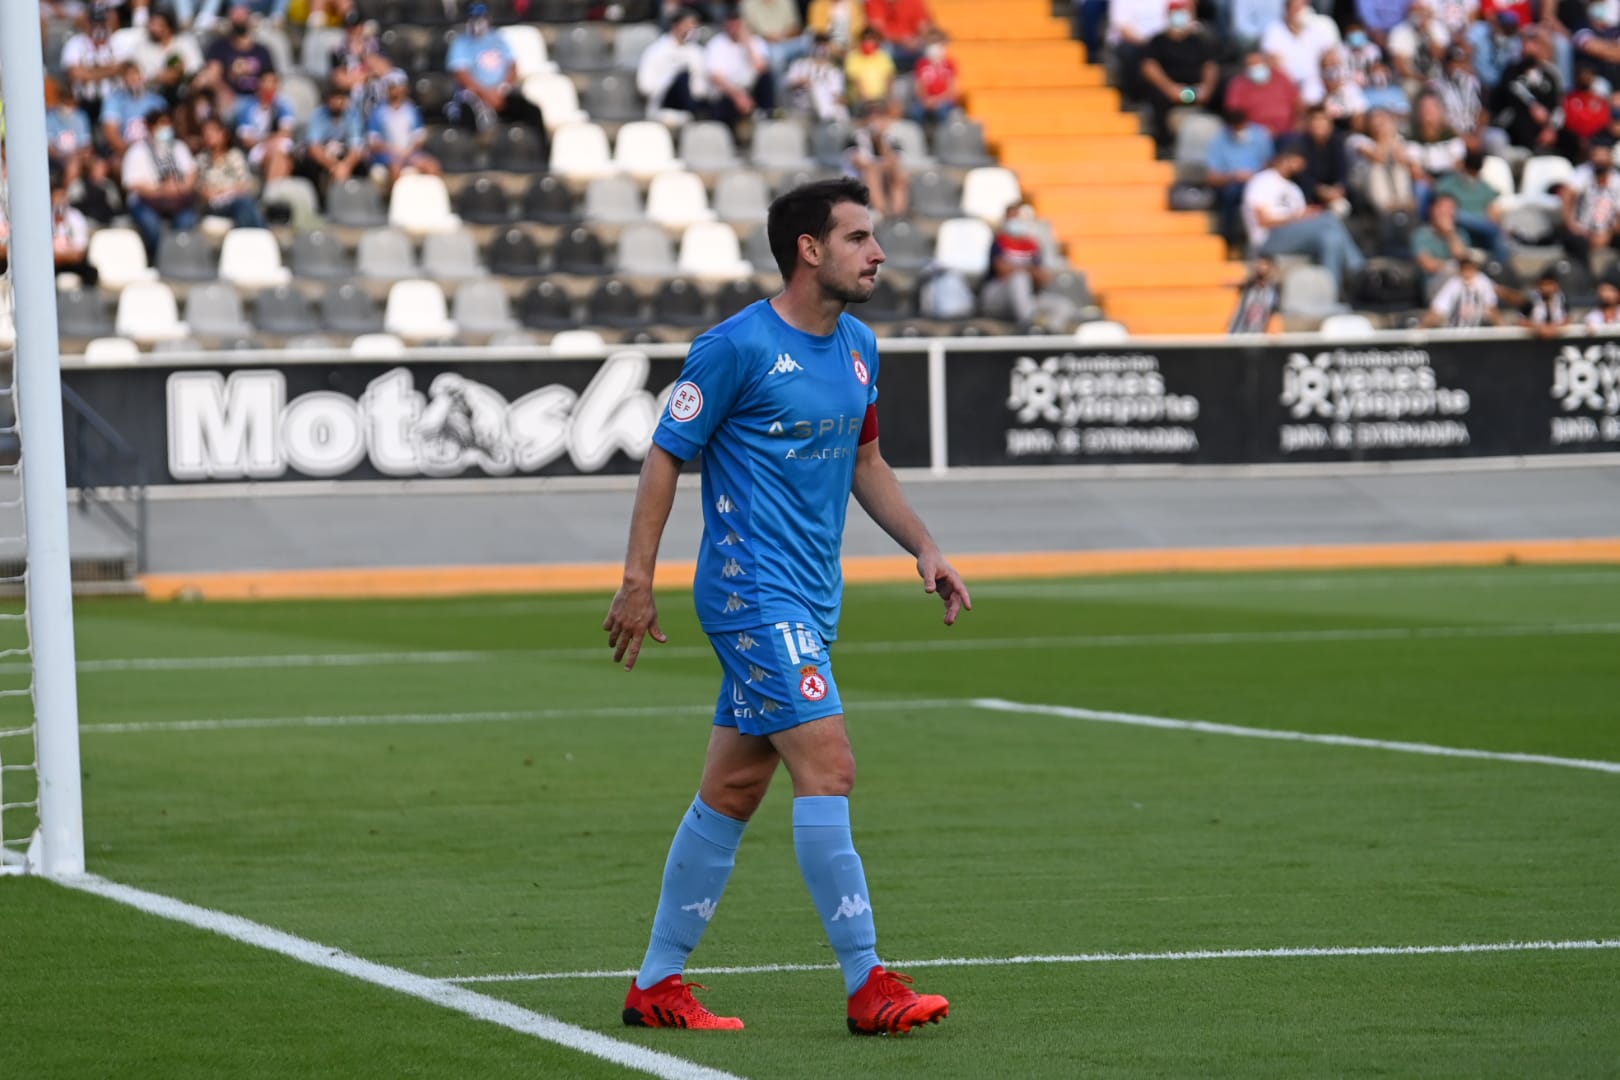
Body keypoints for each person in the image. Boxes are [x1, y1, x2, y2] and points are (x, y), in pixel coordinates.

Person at [604, 176, 968, 1036]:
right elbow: (665, 456)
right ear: (809, 249)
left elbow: (867, 463)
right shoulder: (732, 348)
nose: (877, 253)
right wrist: (636, 578)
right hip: (749, 590)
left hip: (809, 596)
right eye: (858, 238)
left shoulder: (858, 348)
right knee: (830, 764)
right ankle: (867, 981)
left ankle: (657, 984)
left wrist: (924, 545)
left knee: (733, 787)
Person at [1242, 145, 1366, 290]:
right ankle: (1359, 270)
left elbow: (1301, 217)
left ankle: (1331, 292)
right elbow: (1263, 220)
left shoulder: (1293, 189)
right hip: (1267, 238)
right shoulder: (1263, 180)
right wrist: (1296, 217)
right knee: (1328, 219)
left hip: (1292, 235)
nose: (1299, 167)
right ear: (1285, 158)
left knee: (1331, 238)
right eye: (1297, 162)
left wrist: (1309, 215)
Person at [445, 2, 548, 133]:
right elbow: (461, 73)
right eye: (474, 18)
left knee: (532, 111)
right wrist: (486, 94)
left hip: (501, 93)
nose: (478, 23)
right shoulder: (461, 42)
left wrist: (502, 89)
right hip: (474, 97)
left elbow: (512, 66)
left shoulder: (498, 38)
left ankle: (538, 149)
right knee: (466, 119)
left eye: (481, 18)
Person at [122, 107, 199, 257]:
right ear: (150, 127)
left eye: (168, 124)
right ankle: (157, 259)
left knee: (187, 221)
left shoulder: (178, 147)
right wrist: (161, 190)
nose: (166, 128)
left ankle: (179, 259)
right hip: (147, 203)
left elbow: (192, 173)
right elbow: (132, 184)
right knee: (152, 225)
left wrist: (180, 187)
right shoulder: (137, 151)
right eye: (161, 124)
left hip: (177, 201)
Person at [1139, 0, 1219, 143]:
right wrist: (1170, 88)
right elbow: (1149, 67)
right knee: (1157, 97)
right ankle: (1164, 144)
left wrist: (1206, 89)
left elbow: (1210, 66)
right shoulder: (1158, 41)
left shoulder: (1198, 41)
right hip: (1170, 90)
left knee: (1222, 91)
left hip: (1197, 89)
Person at [979, 201, 1057, 329]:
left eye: (1018, 217)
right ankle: (1028, 324)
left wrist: (1028, 271)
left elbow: (1042, 278)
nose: (1015, 221)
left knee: (1062, 306)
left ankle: (1048, 336)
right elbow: (1002, 270)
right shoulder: (999, 241)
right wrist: (1028, 270)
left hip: (1025, 298)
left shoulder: (1033, 245)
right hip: (997, 297)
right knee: (1019, 278)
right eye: (1012, 217)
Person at [1491, 28, 1563, 154]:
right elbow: (1511, 92)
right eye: (1525, 44)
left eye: (1534, 45)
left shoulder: (1550, 74)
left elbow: (1558, 104)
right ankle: (1531, 150)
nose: (1528, 49)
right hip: (1515, 123)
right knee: (1520, 114)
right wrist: (1533, 105)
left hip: (1545, 126)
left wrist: (1551, 128)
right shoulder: (1511, 70)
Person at [1205, 109, 1275, 240]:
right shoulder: (1219, 140)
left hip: (1259, 182)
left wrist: (1255, 176)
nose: (1239, 131)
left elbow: (1270, 163)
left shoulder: (1260, 135)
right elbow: (1211, 177)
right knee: (1230, 195)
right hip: (1231, 185)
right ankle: (1229, 241)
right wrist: (1232, 176)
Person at [706, 6, 777, 128]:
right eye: (731, 23)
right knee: (723, 106)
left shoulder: (755, 41)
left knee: (767, 78)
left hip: (751, 90)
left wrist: (747, 43)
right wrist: (738, 96)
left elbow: (761, 68)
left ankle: (767, 118)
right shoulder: (717, 43)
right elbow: (716, 77)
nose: (734, 28)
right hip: (729, 93)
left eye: (737, 23)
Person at [1260, 0, 1342, 105]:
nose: (1300, 12)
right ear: (1287, 10)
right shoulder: (1273, 29)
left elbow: (1333, 59)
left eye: (1303, 6)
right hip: (1286, 85)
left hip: (1318, 82)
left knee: (1314, 94)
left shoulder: (1324, 25)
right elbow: (1273, 63)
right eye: (1295, 8)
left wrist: (1327, 84)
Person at [1435, 150, 1510, 262]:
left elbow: (1493, 209)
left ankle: (1499, 269)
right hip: (1458, 224)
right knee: (1460, 218)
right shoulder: (1449, 183)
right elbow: (1442, 207)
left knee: (1498, 235)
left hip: (1482, 227)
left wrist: (1497, 219)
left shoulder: (1484, 186)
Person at [60, 5, 129, 127]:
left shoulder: (117, 41)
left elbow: (123, 67)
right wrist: (109, 69)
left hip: (113, 101)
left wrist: (89, 72)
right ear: (88, 23)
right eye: (95, 23)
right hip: (84, 101)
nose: (98, 27)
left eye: (102, 23)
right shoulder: (76, 43)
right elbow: (75, 73)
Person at [369, 70, 442, 184]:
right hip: (388, 155)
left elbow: (419, 137)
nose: (397, 90)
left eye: (400, 86)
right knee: (396, 168)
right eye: (393, 87)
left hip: (410, 153)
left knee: (432, 166)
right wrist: (394, 152)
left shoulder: (412, 110)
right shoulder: (379, 112)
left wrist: (407, 152)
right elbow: (374, 141)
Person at [638, 7, 711, 116]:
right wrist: (670, 81)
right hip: (663, 103)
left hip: (692, 103)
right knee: (682, 77)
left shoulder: (698, 52)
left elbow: (702, 86)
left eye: (694, 26)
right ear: (676, 26)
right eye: (687, 25)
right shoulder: (656, 50)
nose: (691, 29)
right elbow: (645, 86)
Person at [1560, 133, 1620, 266]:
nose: (1599, 159)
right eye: (1596, 155)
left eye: (1603, 155)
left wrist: (1608, 233)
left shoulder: (1617, 179)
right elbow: (1567, 198)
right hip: (1580, 229)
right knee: (1578, 244)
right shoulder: (1582, 173)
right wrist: (1572, 226)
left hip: (1606, 230)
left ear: (1611, 156)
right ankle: (1585, 279)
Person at [197, 116, 265, 228]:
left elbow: (246, 184)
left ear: (223, 133)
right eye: (206, 132)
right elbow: (204, 191)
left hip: (236, 200)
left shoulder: (235, 155)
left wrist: (224, 190)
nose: (209, 135)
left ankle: (259, 235)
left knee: (246, 205)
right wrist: (230, 189)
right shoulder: (201, 160)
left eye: (213, 131)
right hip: (215, 206)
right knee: (244, 205)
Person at [846, 104, 909, 217]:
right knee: (872, 173)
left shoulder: (892, 139)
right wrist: (881, 166)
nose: (875, 122)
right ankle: (882, 212)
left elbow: (895, 161)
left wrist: (881, 144)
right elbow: (859, 162)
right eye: (872, 118)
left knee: (900, 175)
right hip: (858, 177)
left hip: (885, 175)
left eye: (880, 118)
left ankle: (898, 214)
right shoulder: (856, 137)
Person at [235, 68, 296, 184]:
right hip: (258, 147)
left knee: (281, 155)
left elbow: (286, 132)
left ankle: (272, 191)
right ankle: (275, 192)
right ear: (259, 84)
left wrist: (271, 142)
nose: (269, 86)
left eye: (273, 82)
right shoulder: (247, 107)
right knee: (278, 158)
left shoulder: (284, 105)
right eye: (265, 82)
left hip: (279, 143)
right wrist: (266, 142)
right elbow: (247, 140)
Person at [131, 9, 204, 103]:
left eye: (158, 25)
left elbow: (197, 65)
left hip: (186, 91)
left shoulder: (185, 41)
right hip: (155, 95)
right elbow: (139, 77)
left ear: (169, 28)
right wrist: (158, 78)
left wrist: (181, 71)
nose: (153, 28)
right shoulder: (142, 48)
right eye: (151, 24)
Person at [303, 84, 369, 187]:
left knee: (360, 162)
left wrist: (345, 166)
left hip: (345, 157)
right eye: (334, 98)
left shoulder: (353, 115)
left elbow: (357, 148)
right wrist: (332, 166)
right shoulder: (319, 115)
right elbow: (313, 147)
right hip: (324, 159)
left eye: (341, 98)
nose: (338, 102)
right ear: (328, 100)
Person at [1225, 50, 1302, 137]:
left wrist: (1297, 124)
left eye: (1258, 64)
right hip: (1254, 136)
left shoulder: (1281, 77)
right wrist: (1256, 131)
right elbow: (1234, 114)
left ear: (1267, 63)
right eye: (1251, 65)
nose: (1255, 68)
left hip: (1287, 132)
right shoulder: (1238, 84)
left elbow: (1297, 103)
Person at [1411, 192, 1479, 290]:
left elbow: (1463, 260)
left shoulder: (1460, 233)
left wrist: (1451, 234)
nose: (1446, 212)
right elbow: (1427, 264)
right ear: (1432, 210)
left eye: (1451, 208)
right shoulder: (1421, 234)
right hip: (1435, 286)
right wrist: (1451, 268)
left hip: (1461, 284)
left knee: (1478, 277)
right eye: (1442, 207)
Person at [101, 60, 167, 160]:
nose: (133, 79)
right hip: (126, 151)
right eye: (128, 76)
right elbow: (111, 134)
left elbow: (164, 132)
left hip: (154, 150)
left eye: (136, 74)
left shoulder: (158, 101)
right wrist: (132, 154)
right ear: (123, 80)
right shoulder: (114, 100)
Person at [784, 32, 849, 121]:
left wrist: (839, 100)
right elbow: (786, 84)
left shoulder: (833, 71)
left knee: (840, 110)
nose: (821, 49)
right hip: (801, 109)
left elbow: (837, 95)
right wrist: (800, 82)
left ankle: (828, 122)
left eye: (823, 45)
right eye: (818, 44)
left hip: (823, 110)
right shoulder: (799, 65)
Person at [1422, 253, 1500, 326]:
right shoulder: (1454, 284)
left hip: (1479, 332)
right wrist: (1421, 328)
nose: (1467, 272)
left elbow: (1492, 308)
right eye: (1464, 268)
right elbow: (1438, 309)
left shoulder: (1483, 282)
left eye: (1470, 268)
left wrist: (1501, 330)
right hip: (1455, 333)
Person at [49, 173, 99, 287]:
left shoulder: (76, 216)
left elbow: (80, 252)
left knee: (91, 272)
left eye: (62, 196)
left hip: (71, 261)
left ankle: (86, 303)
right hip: (53, 262)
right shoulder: (45, 218)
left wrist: (63, 256)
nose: (60, 200)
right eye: (57, 197)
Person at [908, 30, 961, 126]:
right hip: (926, 102)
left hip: (944, 102)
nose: (933, 47)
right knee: (915, 111)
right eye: (931, 43)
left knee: (943, 112)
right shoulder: (921, 64)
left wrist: (937, 101)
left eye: (936, 43)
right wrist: (926, 100)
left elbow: (953, 90)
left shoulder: (950, 64)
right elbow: (919, 86)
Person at [866, 0, 932, 70]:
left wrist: (917, 40)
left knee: (930, 47)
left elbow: (923, 26)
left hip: (912, 42)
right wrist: (902, 40)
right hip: (890, 43)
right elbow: (877, 29)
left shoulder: (914, 2)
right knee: (884, 47)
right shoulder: (875, 2)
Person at [844, 26, 898, 109]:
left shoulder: (882, 56)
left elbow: (889, 77)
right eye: (866, 39)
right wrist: (866, 98)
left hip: (881, 99)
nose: (868, 42)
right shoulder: (853, 57)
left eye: (871, 39)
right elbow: (855, 80)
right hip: (861, 100)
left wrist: (888, 97)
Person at [1228, 255, 1280, 333]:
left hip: (1259, 335)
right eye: (1259, 264)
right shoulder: (1248, 288)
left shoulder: (1273, 291)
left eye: (1264, 264)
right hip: (1240, 333)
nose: (1261, 267)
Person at [1522, 267, 1571, 336]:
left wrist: (1554, 328)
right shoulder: (1531, 300)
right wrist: (1539, 328)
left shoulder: (1562, 299)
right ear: (1538, 286)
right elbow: (1521, 320)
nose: (1547, 288)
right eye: (1544, 284)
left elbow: (1567, 318)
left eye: (1550, 284)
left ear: (1556, 286)